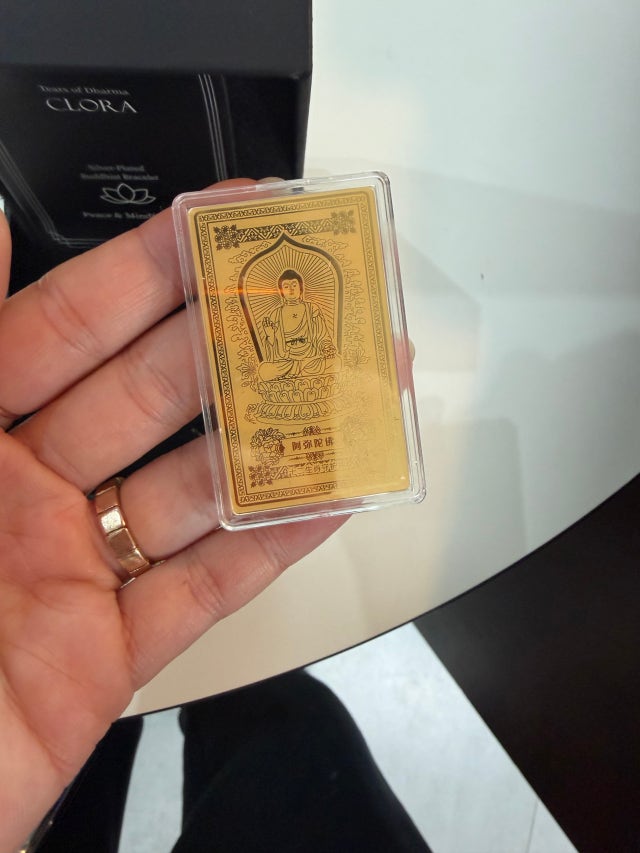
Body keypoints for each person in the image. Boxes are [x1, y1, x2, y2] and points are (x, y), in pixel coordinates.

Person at [0, 182, 431, 853]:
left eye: (295, 291)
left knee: (260, 726)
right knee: (292, 725)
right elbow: (279, 345)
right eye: (285, 291)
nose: (291, 297)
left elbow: (310, 342)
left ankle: (164, 723)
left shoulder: (307, 310)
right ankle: (194, 714)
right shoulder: (279, 313)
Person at [258, 269, 341, 381]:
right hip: (287, 362)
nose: (291, 289)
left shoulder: (312, 309)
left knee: (336, 362)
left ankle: (299, 371)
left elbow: (322, 335)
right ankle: (301, 372)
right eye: (286, 286)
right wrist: (270, 335)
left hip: (310, 360)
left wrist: (327, 348)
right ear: (281, 291)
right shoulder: (275, 314)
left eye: (294, 285)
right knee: (264, 370)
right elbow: (272, 355)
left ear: (301, 287)